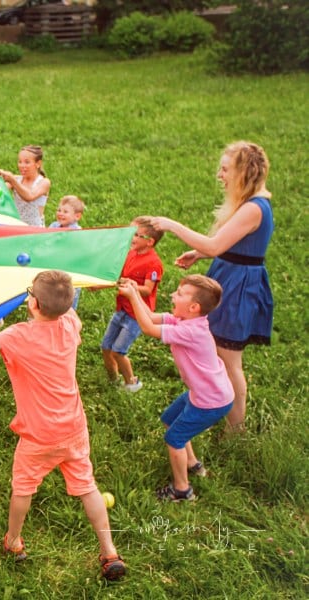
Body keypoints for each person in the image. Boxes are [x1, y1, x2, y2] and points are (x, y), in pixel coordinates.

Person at [0, 270, 126, 581]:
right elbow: (64, 304)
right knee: (88, 487)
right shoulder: (71, 323)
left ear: (32, 303)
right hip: (72, 427)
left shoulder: (18, 335)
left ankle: (14, 541)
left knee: (24, 487)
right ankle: (109, 550)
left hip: (39, 435)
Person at [148, 141, 273, 432]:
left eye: (226, 169)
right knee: (217, 352)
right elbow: (231, 244)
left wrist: (172, 225)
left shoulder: (255, 207)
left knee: (229, 360)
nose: (220, 175)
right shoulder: (250, 201)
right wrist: (201, 254)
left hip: (239, 286)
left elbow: (217, 243)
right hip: (230, 275)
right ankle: (215, 404)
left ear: (244, 172)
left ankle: (235, 430)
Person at [119, 275, 234, 501]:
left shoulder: (192, 332)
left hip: (211, 401)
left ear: (194, 307)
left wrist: (133, 296)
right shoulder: (185, 321)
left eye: (180, 293)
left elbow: (148, 328)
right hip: (205, 393)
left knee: (174, 439)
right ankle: (192, 463)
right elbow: (151, 317)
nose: (172, 295)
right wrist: (135, 291)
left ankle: (182, 490)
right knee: (170, 419)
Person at [100, 217, 164, 392]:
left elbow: (148, 290)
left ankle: (131, 383)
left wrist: (132, 285)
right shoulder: (130, 253)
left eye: (136, 235)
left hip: (136, 314)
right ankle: (112, 380)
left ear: (150, 242)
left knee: (118, 351)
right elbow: (117, 276)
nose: (132, 238)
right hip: (121, 308)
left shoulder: (153, 263)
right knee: (106, 347)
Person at [0, 145, 51, 227]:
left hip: (36, 230)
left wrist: (12, 180)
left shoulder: (44, 182)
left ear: (38, 164)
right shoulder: (16, 180)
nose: (22, 165)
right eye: (20, 162)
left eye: (27, 162)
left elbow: (30, 196)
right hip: (18, 226)